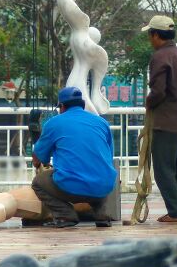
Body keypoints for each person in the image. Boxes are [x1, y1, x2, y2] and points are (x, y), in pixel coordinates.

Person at [31, 86, 117, 228]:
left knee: (38, 182)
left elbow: (40, 157)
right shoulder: (102, 122)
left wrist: (37, 163)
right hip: (103, 185)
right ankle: (102, 214)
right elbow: (108, 156)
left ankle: (65, 215)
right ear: (82, 105)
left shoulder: (54, 123)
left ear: (62, 107)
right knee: (102, 173)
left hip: (71, 186)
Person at [142, 15, 177, 223]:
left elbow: (158, 91)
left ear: (156, 35)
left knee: (163, 170)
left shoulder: (160, 57)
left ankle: (175, 211)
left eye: (150, 35)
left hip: (166, 122)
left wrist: (149, 102)